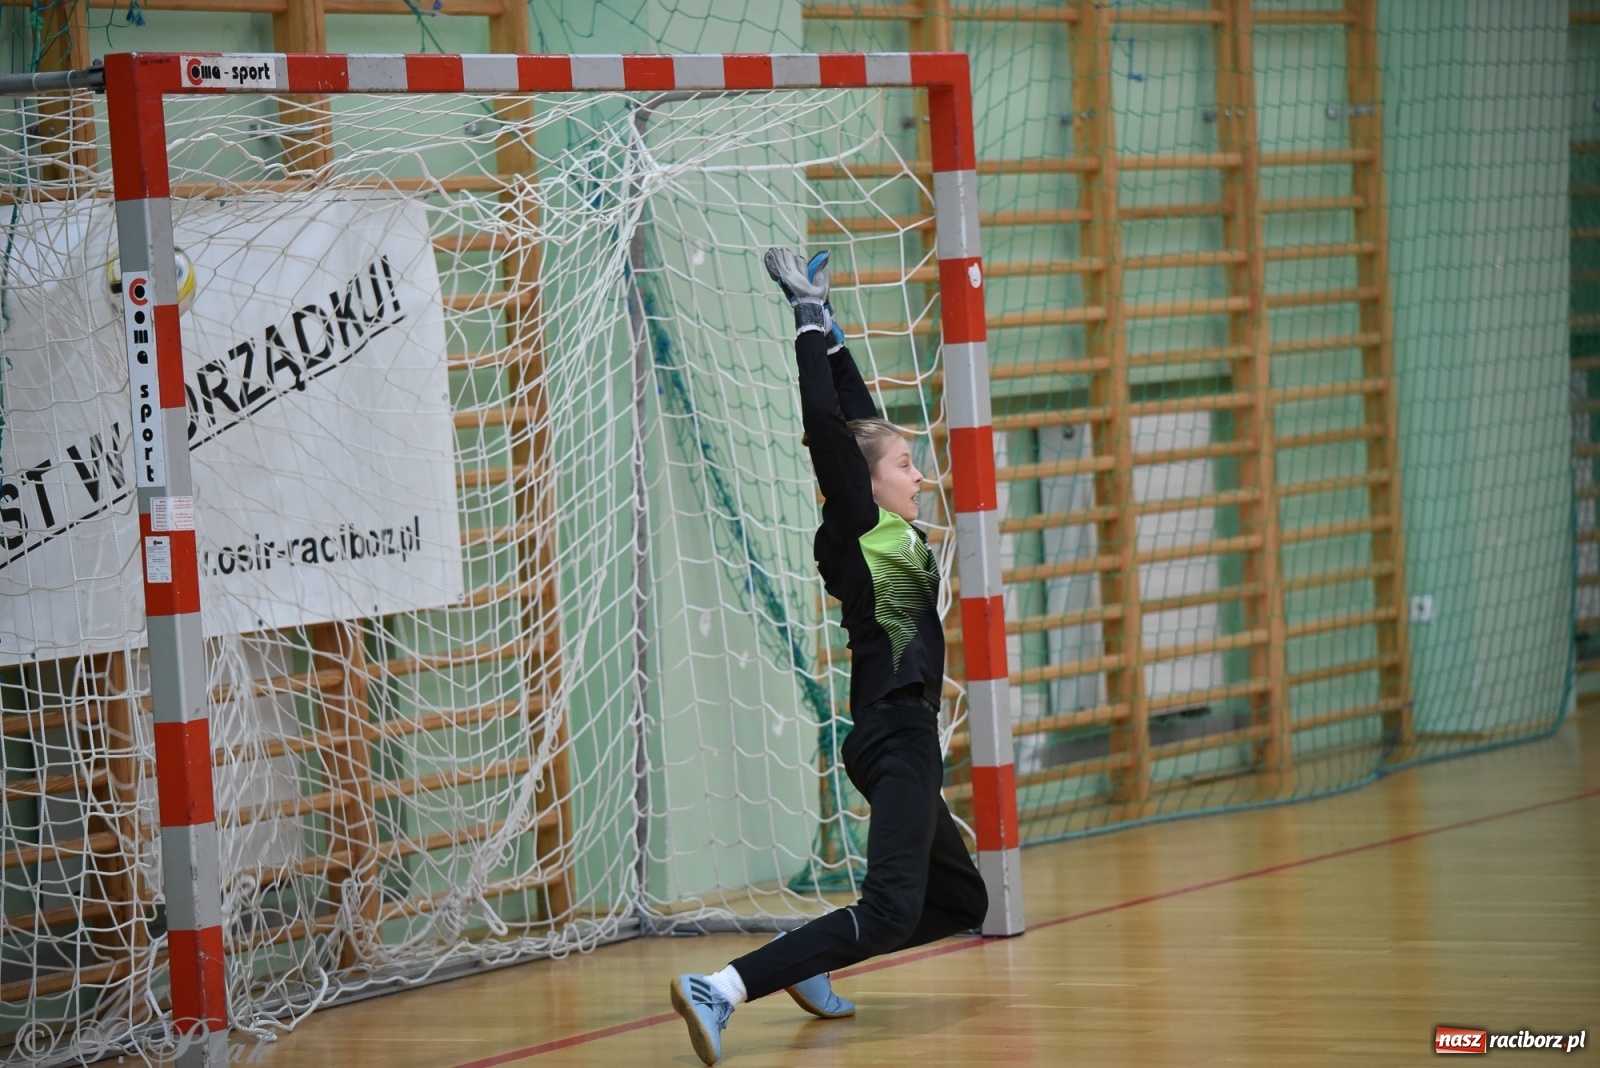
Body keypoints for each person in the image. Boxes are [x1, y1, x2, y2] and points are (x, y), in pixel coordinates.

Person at [668, 247, 989, 1066]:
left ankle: (804, 958)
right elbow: (829, 429)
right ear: (869, 485)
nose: (921, 476)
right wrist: (807, 325)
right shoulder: (862, 526)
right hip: (894, 734)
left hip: (905, 736)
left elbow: (859, 421)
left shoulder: (892, 532)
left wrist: (838, 342)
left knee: (960, 900)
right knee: (888, 909)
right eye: (907, 466)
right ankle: (723, 987)